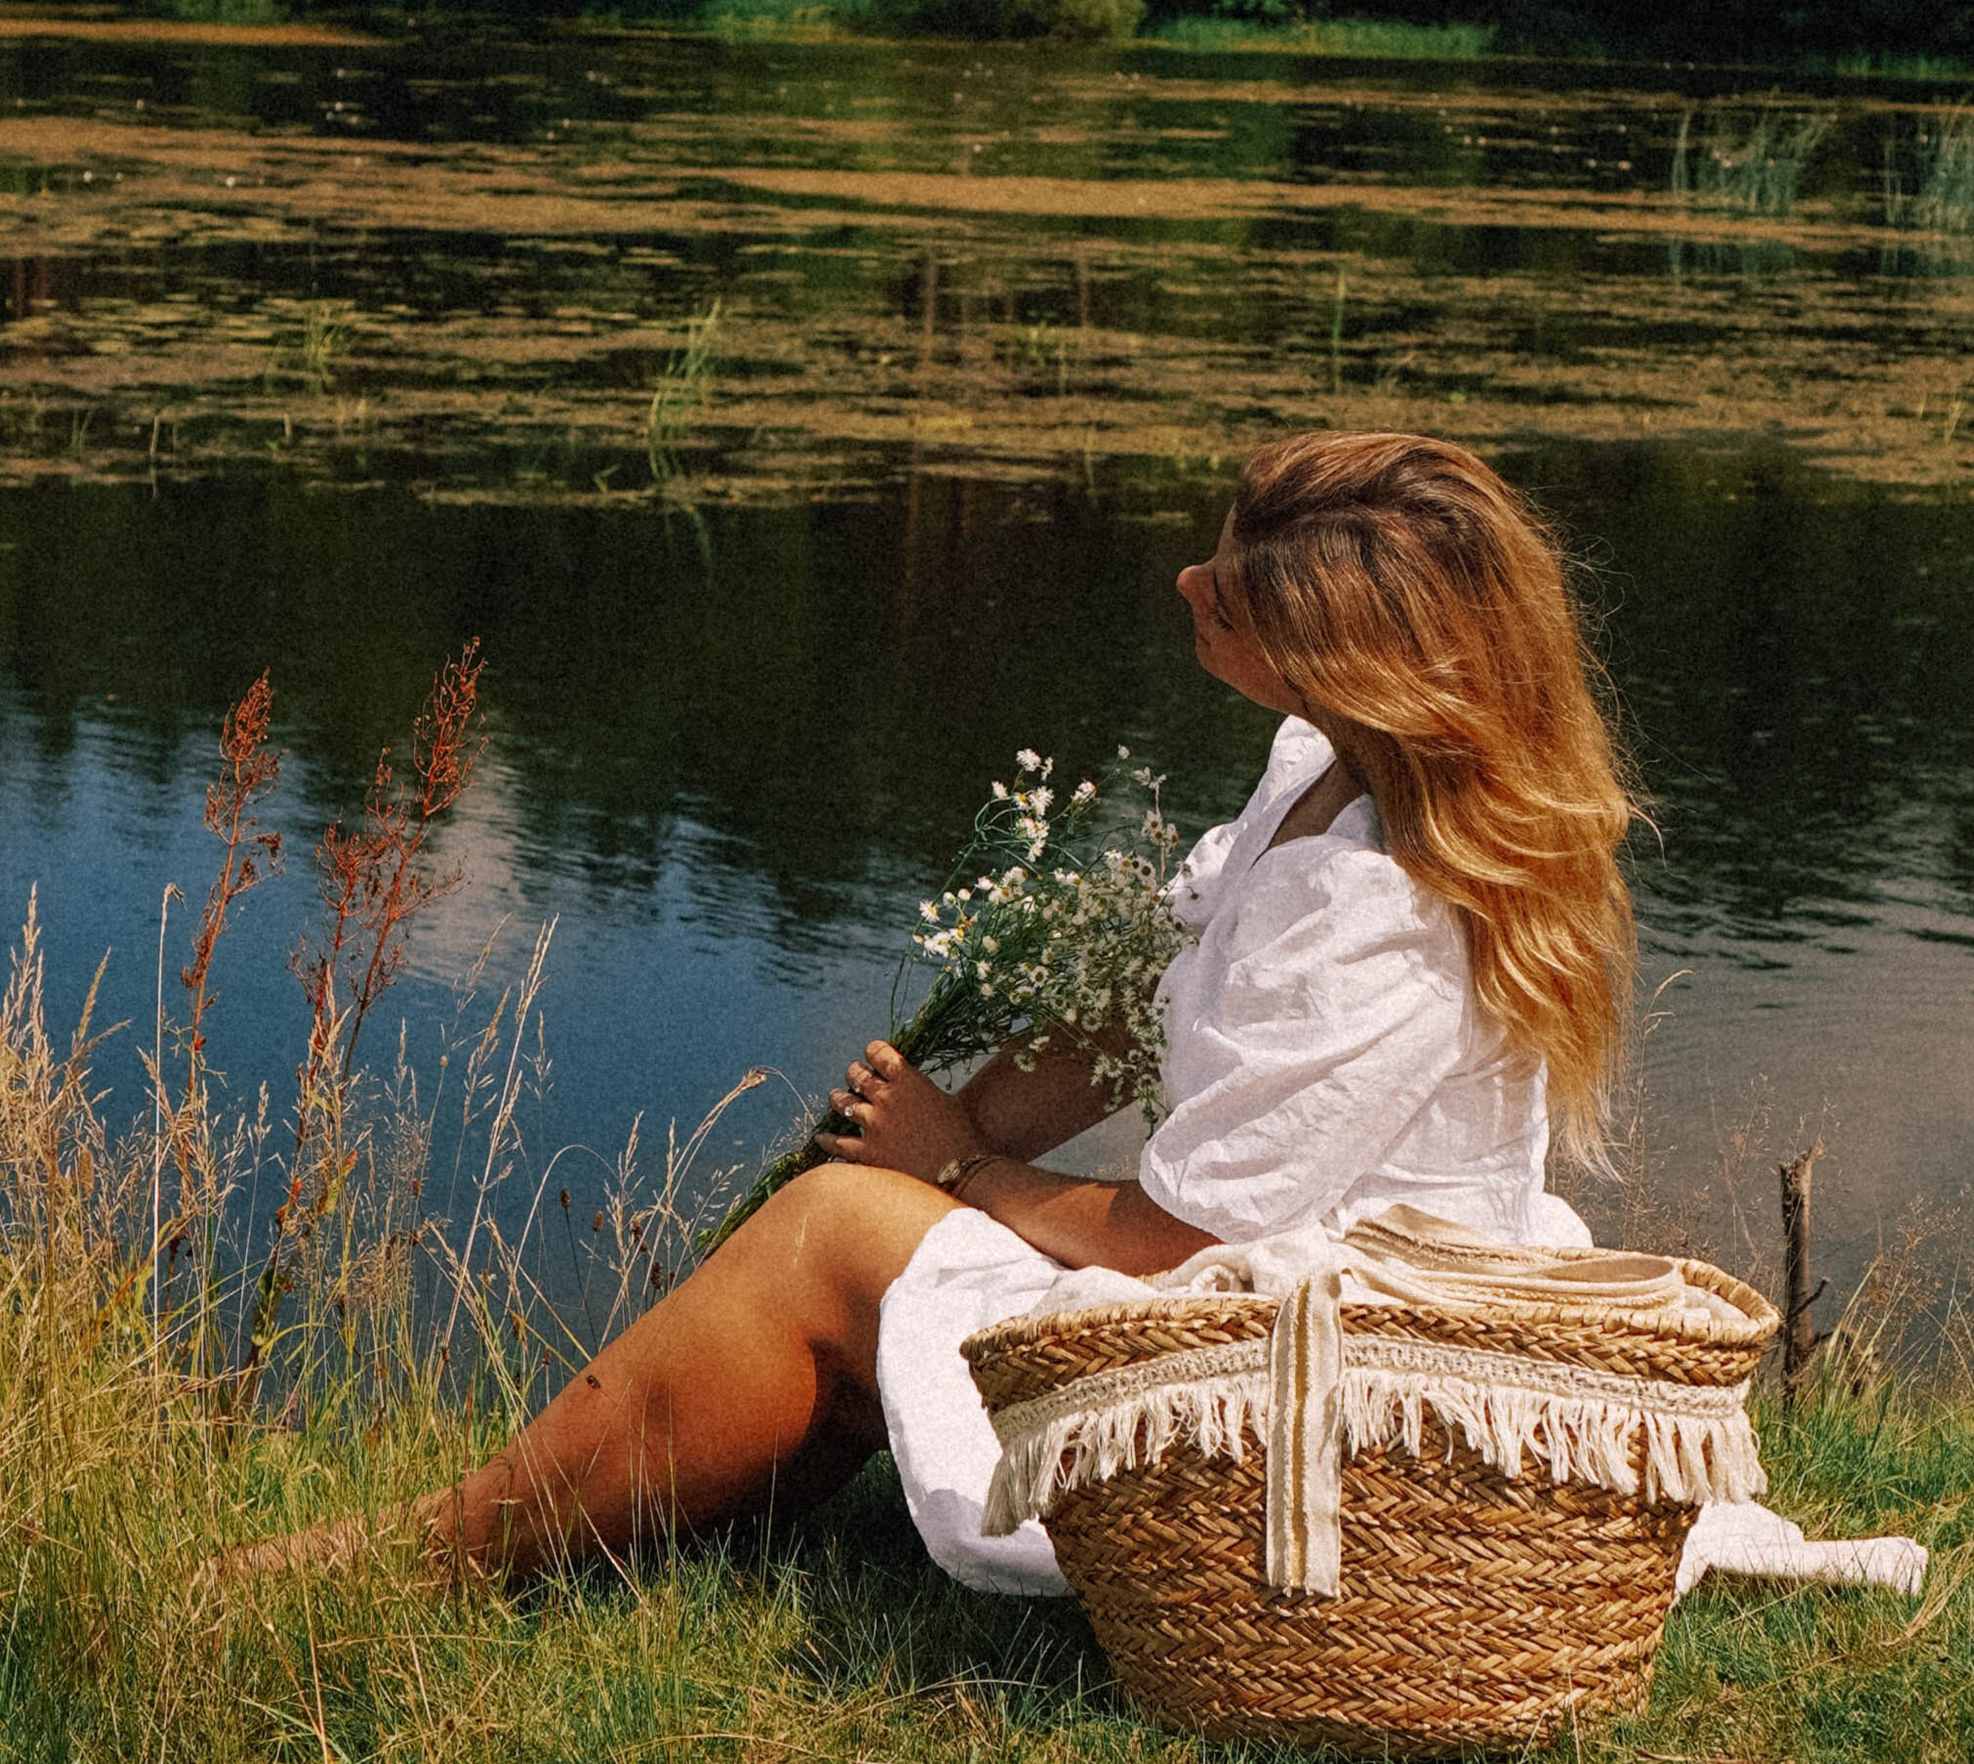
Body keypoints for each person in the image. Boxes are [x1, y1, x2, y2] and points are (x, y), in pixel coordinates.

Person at [392, 429, 1637, 1590]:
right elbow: (1139, 1008)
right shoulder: (1322, 776)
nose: (1188, 580)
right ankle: (634, 1521)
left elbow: (1176, 1240)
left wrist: (958, 1163)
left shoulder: (1377, 903)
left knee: (830, 1232)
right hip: (1277, 1297)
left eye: (1234, 588)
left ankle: (430, 1550)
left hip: (1314, 1366)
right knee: (865, 1236)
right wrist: (931, 1151)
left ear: (1337, 663)